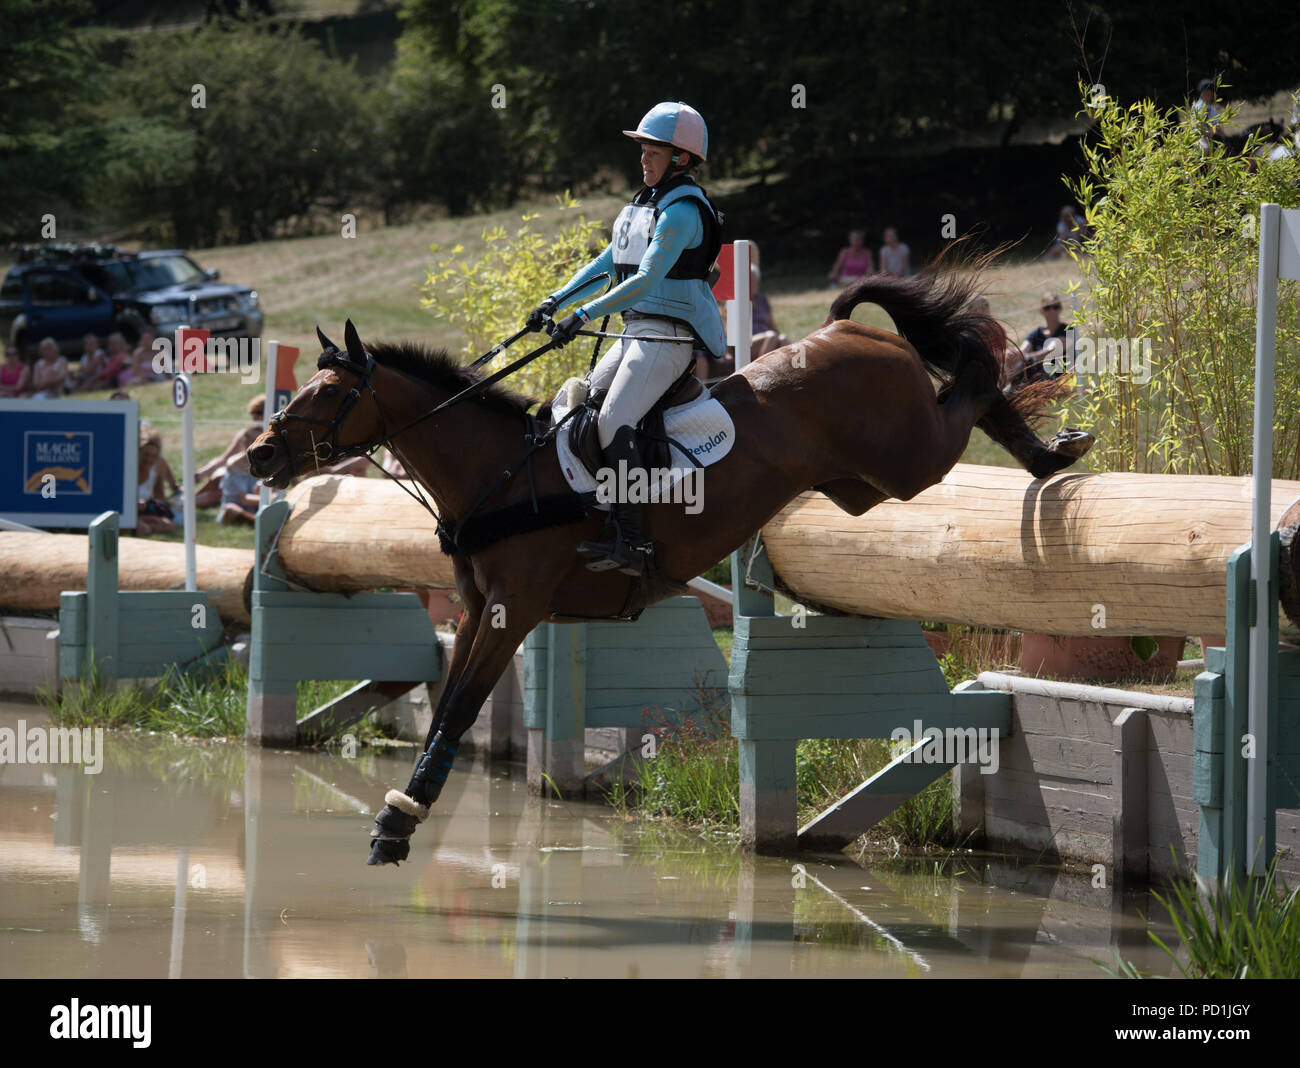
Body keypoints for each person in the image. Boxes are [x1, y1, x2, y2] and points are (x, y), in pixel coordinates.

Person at [527, 101, 725, 576]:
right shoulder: (644, 204)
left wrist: (586, 313)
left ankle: (634, 541)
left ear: (680, 157)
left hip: (670, 338)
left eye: (651, 151)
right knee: (586, 407)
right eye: (642, 150)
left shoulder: (683, 212)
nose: (642, 159)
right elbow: (607, 265)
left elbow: (647, 280)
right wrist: (555, 299)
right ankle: (604, 513)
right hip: (636, 331)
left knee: (615, 419)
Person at [195, 394, 266, 508]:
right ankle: (190, 498)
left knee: (220, 480)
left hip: (257, 478)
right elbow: (224, 459)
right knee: (219, 475)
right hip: (241, 479)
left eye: (259, 412)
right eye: (253, 413)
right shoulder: (245, 434)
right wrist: (199, 475)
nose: (255, 416)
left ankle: (189, 500)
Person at [136, 428, 180, 536]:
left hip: (145, 513)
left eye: (153, 456)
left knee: (168, 524)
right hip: (129, 514)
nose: (148, 459)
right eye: (145, 455)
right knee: (142, 529)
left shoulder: (158, 465)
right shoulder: (128, 469)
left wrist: (161, 511)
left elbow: (159, 495)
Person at [1017, 292, 1068, 383]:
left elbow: (1050, 352)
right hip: (1037, 379)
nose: (1052, 311)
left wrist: (1030, 357)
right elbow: (1021, 353)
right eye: (1047, 307)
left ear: (1060, 309)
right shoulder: (1036, 333)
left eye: (1055, 307)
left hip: (1060, 380)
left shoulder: (1068, 330)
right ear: (1041, 310)